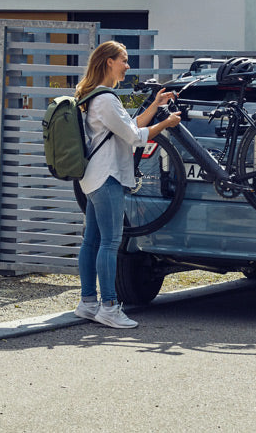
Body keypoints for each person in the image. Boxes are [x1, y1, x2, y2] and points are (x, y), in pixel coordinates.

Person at [73, 41, 181, 328]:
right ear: (109, 62)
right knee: (109, 243)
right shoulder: (106, 99)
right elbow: (135, 138)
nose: (127, 65)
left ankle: (87, 303)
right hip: (107, 177)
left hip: (94, 178)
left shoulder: (94, 96)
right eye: (124, 60)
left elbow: (128, 128)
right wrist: (166, 123)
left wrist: (155, 106)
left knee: (92, 240)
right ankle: (108, 306)